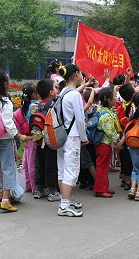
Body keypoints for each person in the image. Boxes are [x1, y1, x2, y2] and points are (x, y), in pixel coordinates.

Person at [0, 70, 31, 213]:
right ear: (4, 84)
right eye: (8, 81)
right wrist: (19, 135)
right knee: (8, 168)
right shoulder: (5, 102)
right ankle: (5, 200)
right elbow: (8, 123)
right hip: (5, 140)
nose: (10, 83)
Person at [57, 64, 87, 217]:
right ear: (76, 74)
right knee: (71, 170)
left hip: (60, 136)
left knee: (62, 170)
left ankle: (65, 200)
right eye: (81, 73)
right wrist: (84, 138)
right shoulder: (74, 95)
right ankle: (64, 206)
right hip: (72, 136)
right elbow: (80, 120)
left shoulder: (62, 92)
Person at [33, 79, 60, 199]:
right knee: (51, 164)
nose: (56, 90)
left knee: (40, 163)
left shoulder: (38, 105)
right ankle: (52, 191)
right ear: (51, 92)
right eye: (55, 88)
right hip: (50, 139)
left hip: (39, 140)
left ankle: (39, 190)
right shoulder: (53, 105)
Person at [93, 87, 120, 198]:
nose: (116, 98)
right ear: (108, 100)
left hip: (103, 143)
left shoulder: (101, 110)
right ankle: (100, 189)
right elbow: (110, 132)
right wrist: (117, 139)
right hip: (104, 143)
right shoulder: (106, 115)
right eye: (114, 96)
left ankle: (104, 187)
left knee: (103, 166)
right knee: (102, 167)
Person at [19, 83, 40, 194]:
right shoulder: (35, 106)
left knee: (26, 162)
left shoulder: (24, 104)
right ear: (33, 94)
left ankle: (26, 184)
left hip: (27, 135)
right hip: (34, 137)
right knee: (32, 163)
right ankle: (34, 187)